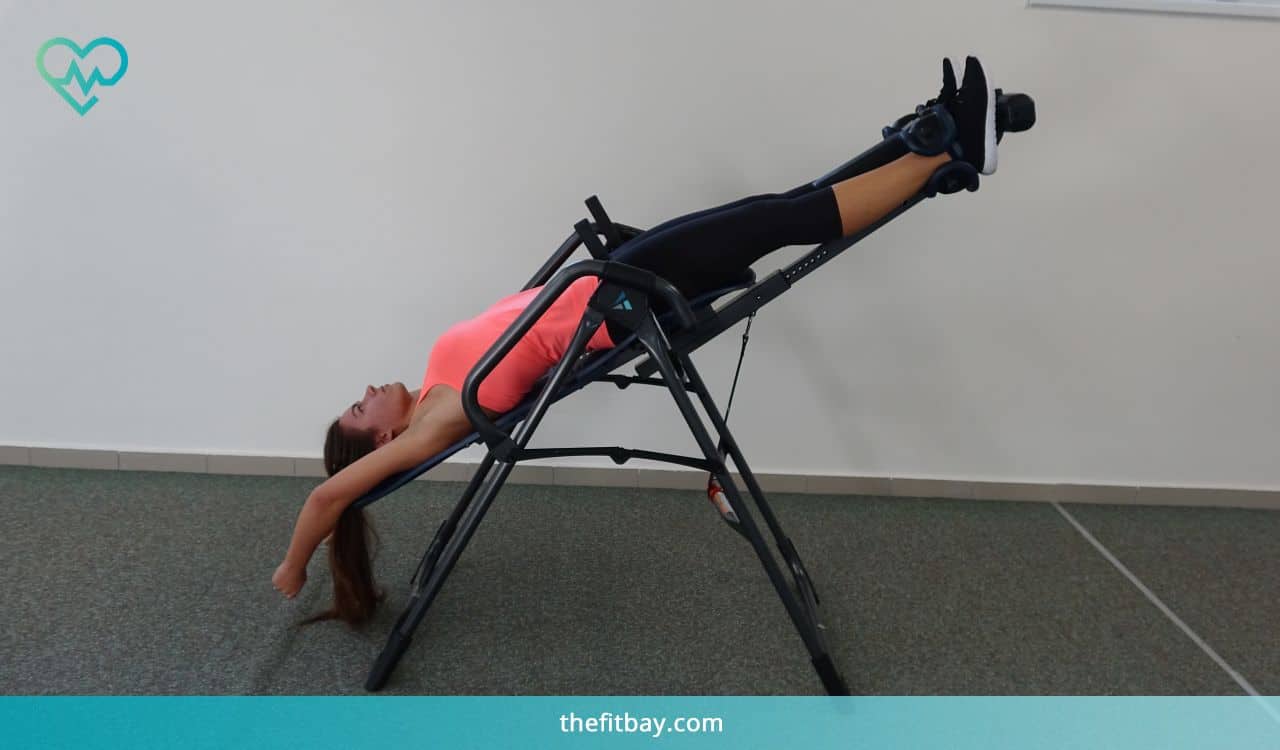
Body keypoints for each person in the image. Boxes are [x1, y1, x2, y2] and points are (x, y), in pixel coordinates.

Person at [273, 57, 1004, 625]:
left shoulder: (435, 377)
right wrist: (294, 566)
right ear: (384, 442)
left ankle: (935, 128)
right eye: (361, 411)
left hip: (621, 272)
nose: (366, 393)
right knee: (785, 219)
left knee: (774, 208)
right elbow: (328, 500)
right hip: (626, 295)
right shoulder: (439, 419)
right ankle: (945, 156)